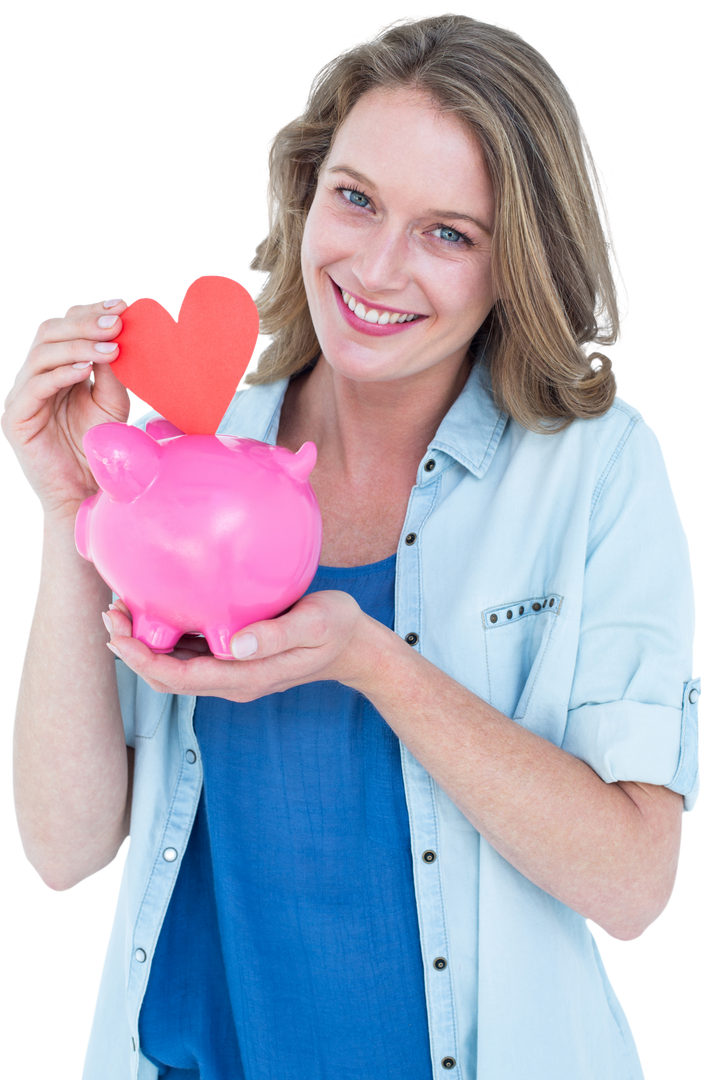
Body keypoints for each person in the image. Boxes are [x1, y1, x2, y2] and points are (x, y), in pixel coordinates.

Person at [4, 10, 699, 1080]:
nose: (376, 269)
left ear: (514, 262)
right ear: (307, 192)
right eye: (357, 198)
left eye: (448, 233)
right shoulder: (174, 456)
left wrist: (371, 661)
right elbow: (63, 853)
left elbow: (635, 887)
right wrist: (67, 512)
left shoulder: (597, 471)